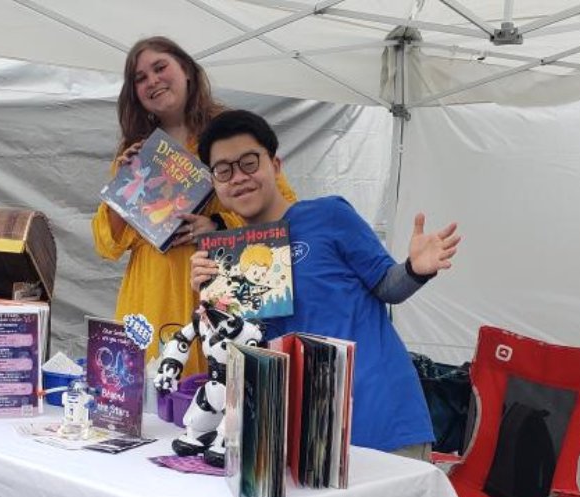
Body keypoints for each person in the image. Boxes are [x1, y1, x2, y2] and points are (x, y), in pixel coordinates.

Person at [191, 109, 461, 457]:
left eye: (249, 162)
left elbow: (387, 286)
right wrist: (209, 300)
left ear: (275, 165)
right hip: (300, 434)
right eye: (224, 170)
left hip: (378, 417)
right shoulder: (228, 257)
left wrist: (415, 269)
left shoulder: (328, 215)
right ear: (214, 182)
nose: (238, 177)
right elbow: (233, 353)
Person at [91, 37, 296, 372]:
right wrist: (123, 186)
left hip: (216, 281)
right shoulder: (135, 151)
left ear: (185, 69)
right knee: (153, 392)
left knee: (210, 395)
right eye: (140, 78)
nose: (152, 81)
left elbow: (283, 208)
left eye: (160, 68)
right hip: (150, 291)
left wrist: (216, 224)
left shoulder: (229, 133)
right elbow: (107, 245)